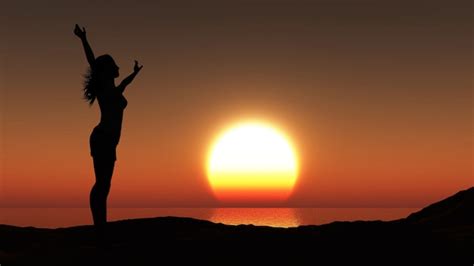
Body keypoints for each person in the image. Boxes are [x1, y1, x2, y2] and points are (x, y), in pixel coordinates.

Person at [74, 24, 143, 230]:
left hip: (109, 142)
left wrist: (135, 73)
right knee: (101, 185)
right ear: (107, 70)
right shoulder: (105, 89)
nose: (117, 67)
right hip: (102, 138)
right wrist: (83, 39)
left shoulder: (115, 89)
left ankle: (101, 224)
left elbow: (125, 83)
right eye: (114, 64)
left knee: (105, 185)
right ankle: (99, 226)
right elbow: (93, 63)